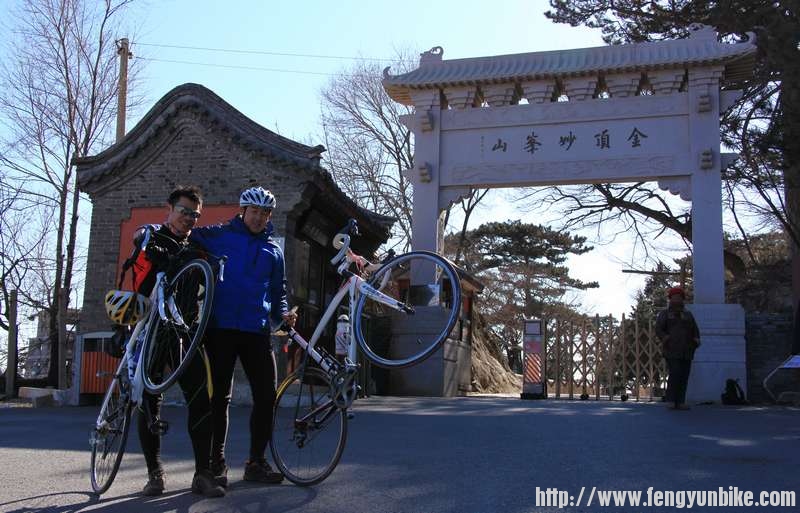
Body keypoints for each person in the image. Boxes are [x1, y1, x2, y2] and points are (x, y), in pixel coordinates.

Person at [190, 186, 297, 488]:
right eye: (254, 211)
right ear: (243, 210)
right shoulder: (219, 235)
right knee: (218, 397)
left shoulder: (273, 251)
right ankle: (216, 464)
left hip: (256, 330)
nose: (259, 217)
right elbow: (185, 233)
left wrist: (284, 314)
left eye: (265, 213)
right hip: (219, 328)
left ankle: (256, 462)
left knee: (266, 395)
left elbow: (279, 293)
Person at [122, 186, 224, 498]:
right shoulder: (152, 236)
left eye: (195, 214)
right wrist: (148, 248)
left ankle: (203, 474)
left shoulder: (197, 248)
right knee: (148, 401)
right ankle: (155, 474)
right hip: (151, 328)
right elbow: (139, 258)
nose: (188, 219)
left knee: (200, 399)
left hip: (185, 332)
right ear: (170, 208)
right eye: (183, 211)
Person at [655, 286, 700, 411]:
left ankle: (680, 401)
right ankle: (670, 400)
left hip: (687, 349)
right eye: (674, 297)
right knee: (675, 372)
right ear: (670, 299)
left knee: (684, 375)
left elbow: (695, 329)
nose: (677, 299)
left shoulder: (688, 314)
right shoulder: (665, 314)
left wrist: (696, 339)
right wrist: (666, 338)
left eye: (679, 297)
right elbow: (658, 329)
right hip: (672, 349)